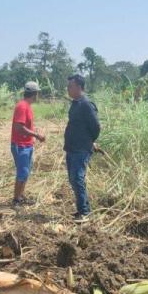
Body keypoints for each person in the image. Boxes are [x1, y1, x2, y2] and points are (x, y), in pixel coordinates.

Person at [64, 74, 101, 223]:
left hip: (81, 149)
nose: (68, 89)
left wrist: (89, 141)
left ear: (79, 87)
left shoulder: (86, 104)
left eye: (70, 86)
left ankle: (84, 213)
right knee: (73, 179)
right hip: (72, 148)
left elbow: (96, 127)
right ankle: (82, 209)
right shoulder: (75, 103)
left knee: (77, 178)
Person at [10, 81, 46, 205]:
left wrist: (34, 132)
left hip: (27, 144)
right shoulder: (22, 106)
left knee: (25, 172)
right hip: (20, 145)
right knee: (22, 172)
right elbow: (18, 128)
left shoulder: (27, 106)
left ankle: (20, 196)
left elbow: (24, 126)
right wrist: (36, 135)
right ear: (35, 94)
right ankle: (16, 200)